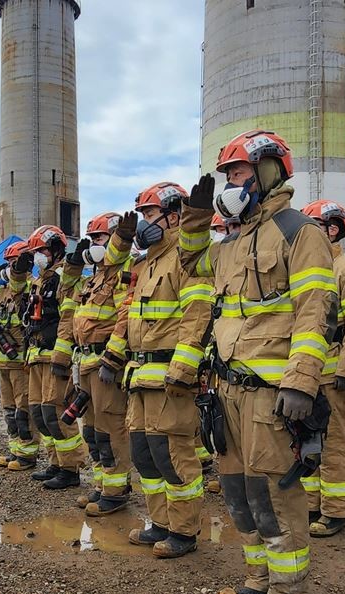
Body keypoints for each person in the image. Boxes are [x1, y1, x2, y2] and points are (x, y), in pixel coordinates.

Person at [179, 129, 335, 594]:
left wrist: (301, 381)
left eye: (239, 172)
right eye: (227, 175)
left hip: (271, 395)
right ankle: (260, 578)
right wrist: (198, 219)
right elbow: (187, 264)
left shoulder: (298, 232)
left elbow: (316, 313)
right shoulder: (230, 243)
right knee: (239, 492)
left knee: (274, 494)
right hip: (226, 391)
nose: (231, 182)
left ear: (269, 172)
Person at [100, 182, 213, 559]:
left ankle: (185, 529)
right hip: (140, 376)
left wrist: (184, 370)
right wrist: (122, 237)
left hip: (170, 377)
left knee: (173, 454)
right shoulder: (145, 262)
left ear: (173, 215)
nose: (146, 222)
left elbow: (198, 315)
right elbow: (107, 273)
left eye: (149, 215)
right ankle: (160, 522)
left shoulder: (187, 256)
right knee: (145, 453)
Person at [299, 200, 345, 537]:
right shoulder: (305, 269)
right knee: (305, 442)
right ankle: (310, 504)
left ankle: (335, 511)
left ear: (332, 229)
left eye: (313, 226)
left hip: (333, 376)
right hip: (307, 375)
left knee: (334, 444)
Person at [65, 213, 135, 515]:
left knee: (110, 428)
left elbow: (126, 317)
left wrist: (113, 358)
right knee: (92, 431)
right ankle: (102, 485)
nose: (95, 244)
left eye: (100, 238)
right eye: (92, 239)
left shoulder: (123, 273)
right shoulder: (95, 277)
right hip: (86, 363)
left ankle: (117, 490)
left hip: (106, 364)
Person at [21, 225, 87, 489]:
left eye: (43, 250)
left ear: (57, 250)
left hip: (54, 356)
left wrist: (63, 353)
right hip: (36, 354)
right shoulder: (40, 279)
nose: (39, 256)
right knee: (39, 412)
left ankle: (71, 469)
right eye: (36, 252)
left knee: (55, 411)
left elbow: (68, 317)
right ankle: (56, 462)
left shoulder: (63, 279)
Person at [0, 240, 34, 467]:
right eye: (8, 263)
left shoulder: (29, 287)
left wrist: (17, 272)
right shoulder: (3, 292)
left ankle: (27, 454)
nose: (10, 267)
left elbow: (18, 285)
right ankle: (15, 450)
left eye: (14, 262)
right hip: (2, 360)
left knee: (23, 410)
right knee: (10, 410)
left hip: (20, 360)